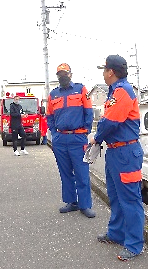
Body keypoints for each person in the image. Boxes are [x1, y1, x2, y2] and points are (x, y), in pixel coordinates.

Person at [89, 55, 144, 261]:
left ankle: (134, 245)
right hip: (116, 151)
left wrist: (95, 137)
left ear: (111, 71)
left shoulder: (123, 91)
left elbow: (111, 121)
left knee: (130, 199)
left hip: (126, 153)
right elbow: (109, 120)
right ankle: (116, 233)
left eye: (104, 70)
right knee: (116, 197)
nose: (103, 73)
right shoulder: (116, 91)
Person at [46, 63, 95, 218]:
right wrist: (54, 134)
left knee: (82, 173)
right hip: (60, 139)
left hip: (77, 138)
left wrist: (85, 131)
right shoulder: (53, 94)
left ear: (70, 74)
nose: (62, 76)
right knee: (65, 173)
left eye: (65, 73)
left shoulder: (81, 89)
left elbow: (88, 111)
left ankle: (85, 205)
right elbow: (49, 116)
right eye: (59, 74)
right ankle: (71, 202)